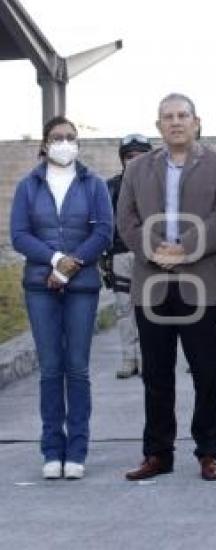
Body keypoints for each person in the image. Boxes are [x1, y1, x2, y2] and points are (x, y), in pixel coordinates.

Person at [118, 93, 216, 482]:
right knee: (156, 375)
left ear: (196, 121)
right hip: (151, 285)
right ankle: (157, 453)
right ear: (158, 126)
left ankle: (209, 452)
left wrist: (185, 249)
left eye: (182, 115)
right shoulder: (138, 168)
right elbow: (126, 219)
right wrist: (155, 251)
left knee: (206, 373)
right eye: (167, 117)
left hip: (201, 284)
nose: (175, 122)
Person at [10, 116, 113, 480]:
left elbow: (104, 231)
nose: (65, 143)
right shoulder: (28, 186)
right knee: (51, 369)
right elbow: (20, 235)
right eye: (57, 138)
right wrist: (56, 261)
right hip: (40, 285)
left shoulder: (94, 185)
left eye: (71, 137)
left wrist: (73, 266)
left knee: (77, 368)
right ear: (44, 144)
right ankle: (52, 449)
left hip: (82, 287)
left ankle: (77, 450)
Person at [102, 134, 153, 379]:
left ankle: (146, 357)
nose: (134, 160)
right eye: (130, 156)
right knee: (124, 309)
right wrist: (105, 256)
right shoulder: (111, 186)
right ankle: (128, 358)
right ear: (122, 160)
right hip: (121, 254)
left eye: (140, 156)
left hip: (149, 255)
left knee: (149, 309)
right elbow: (103, 222)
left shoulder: (159, 185)